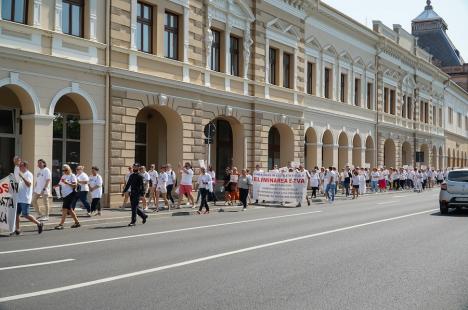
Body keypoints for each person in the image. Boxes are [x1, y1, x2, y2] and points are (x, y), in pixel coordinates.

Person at [15, 161, 43, 235]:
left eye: (21, 166)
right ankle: (17, 229)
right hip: (18, 198)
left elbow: (29, 184)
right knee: (16, 214)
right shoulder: (21, 174)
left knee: (25, 214)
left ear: (25, 166)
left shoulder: (28, 174)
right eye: (19, 166)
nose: (19, 167)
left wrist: (22, 177)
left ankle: (39, 223)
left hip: (25, 198)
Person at [55, 164, 81, 230]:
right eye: (63, 170)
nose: (65, 171)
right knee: (70, 209)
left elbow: (75, 185)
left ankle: (61, 224)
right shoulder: (63, 176)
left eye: (66, 170)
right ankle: (77, 223)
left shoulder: (72, 176)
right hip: (65, 194)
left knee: (64, 209)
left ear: (69, 169)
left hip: (71, 194)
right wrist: (56, 186)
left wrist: (67, 183)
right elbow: (60, 183)